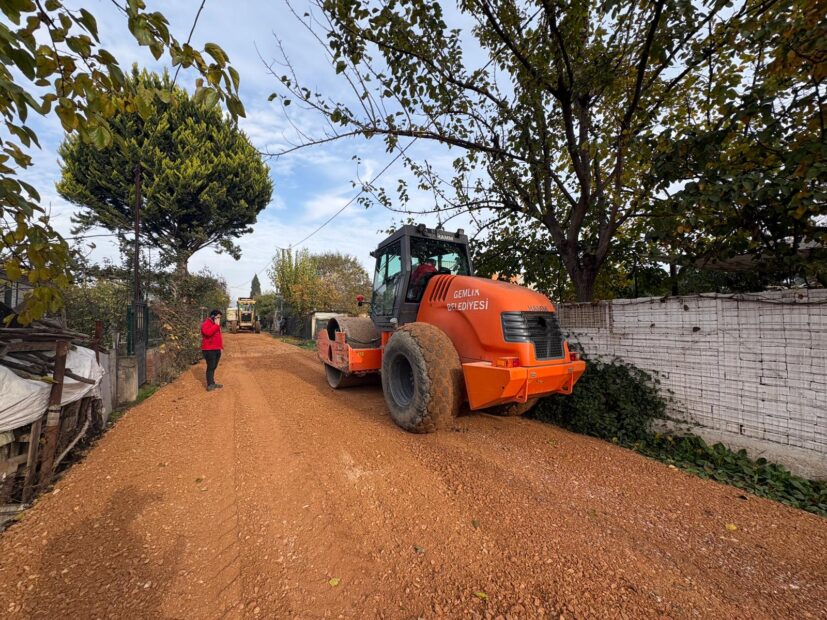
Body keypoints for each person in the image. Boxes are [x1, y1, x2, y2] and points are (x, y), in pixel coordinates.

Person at [201, 309, 224, 391]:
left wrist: (221, 348)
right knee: (210, 367)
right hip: (209, 349)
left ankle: (212, 383)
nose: (219, 319)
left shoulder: (215, 324)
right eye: (218, 317)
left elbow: (218, 337)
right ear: (213, 316)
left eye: (220, 318)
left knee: (214, 366)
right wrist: (216, 326)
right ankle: (210, 385)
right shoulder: (206, 324)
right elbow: (208, 333)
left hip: (216, 349)